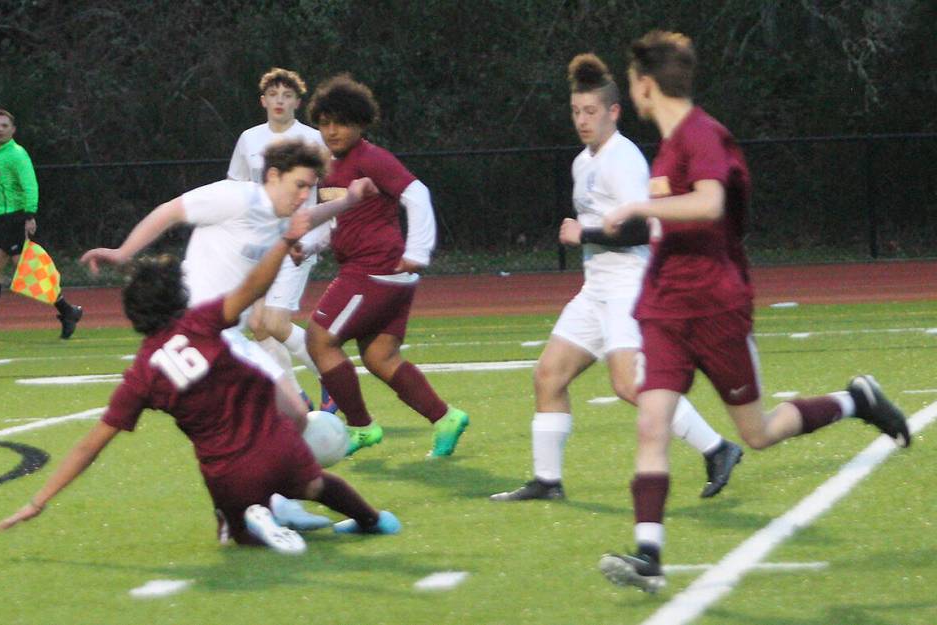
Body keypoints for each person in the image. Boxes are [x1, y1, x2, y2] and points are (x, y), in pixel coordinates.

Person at [597, 30, 911, 593]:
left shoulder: (702, 133)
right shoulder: (668, 146)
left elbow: (711, 201)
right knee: (651, 421)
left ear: (645, 85)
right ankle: (649, 556)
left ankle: (855, 400)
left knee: (759, 433)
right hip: (665, 308)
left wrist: (640, 204)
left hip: (717, 307)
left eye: (632, 81)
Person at [0, 198, 401, 553]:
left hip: (227, 475)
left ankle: (248, 522)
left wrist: (39, 500)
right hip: (279, 447)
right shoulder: (203, 320)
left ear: (135, 316)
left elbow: (90, 447)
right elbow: (254, 284)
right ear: (179, 295)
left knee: (236, 533)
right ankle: (373, 519)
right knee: (316, 484)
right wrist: (283, 241)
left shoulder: (142, 375)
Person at [490, 54, 742, 504]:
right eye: (575, 112)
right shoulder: (581, 162)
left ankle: (718, 448)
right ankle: (547, 481)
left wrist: (582, 232)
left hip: (629, 284)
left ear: (613, 112)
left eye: (590, 112)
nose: (582, 121)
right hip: (596, 288)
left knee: (628, 384)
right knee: (548, 375)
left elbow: (644, 227)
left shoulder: (622, 158)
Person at [80, 139, 359, 531]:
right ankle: (253, 507)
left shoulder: (283, 211)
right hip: (201, 332)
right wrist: (123, 252)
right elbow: (169, 211)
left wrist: (348, 201)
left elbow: (308, 218)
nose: (303, 195)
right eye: (299, 184)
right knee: (278, 417)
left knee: (288, 417)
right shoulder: (235, 199)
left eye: (309, 187)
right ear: (273, 176)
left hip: (231, 336)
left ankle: (261, 505)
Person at [300, 74, 469, 458]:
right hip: (387, 273)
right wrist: (308, 247)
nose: (331, 130)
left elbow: (417, 192)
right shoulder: (332, 166)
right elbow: (336, 222)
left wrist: (419, 249)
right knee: (380, 357)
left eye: (340, 122)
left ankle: (361, 428)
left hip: (374, 270)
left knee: (319, 339)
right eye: (324, 123)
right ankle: (446, 418)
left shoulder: (371, 158)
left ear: (360, 122)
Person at [227, 67, 337, 414]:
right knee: (258, 326)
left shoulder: (312, 139)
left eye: (286, 95)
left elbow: (332, 188)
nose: (279, 100)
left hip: (299, 240)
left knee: (275, 322)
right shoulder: (249, 139)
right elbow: (237, 188)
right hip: (260, 242)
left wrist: (327, 229)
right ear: (263, 101)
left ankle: (332, 379)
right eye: (273, 95)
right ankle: (295, 398)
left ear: (297, 102)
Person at [0, 109, 83, 341]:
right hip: (1, 222)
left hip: (15, 220)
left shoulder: (17, 154)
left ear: (13, 130)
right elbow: (1, 191)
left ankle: (68, 311)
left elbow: (29, 186)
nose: (0, 129)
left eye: (5, 125)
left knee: (30, 271)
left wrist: (30, 215)